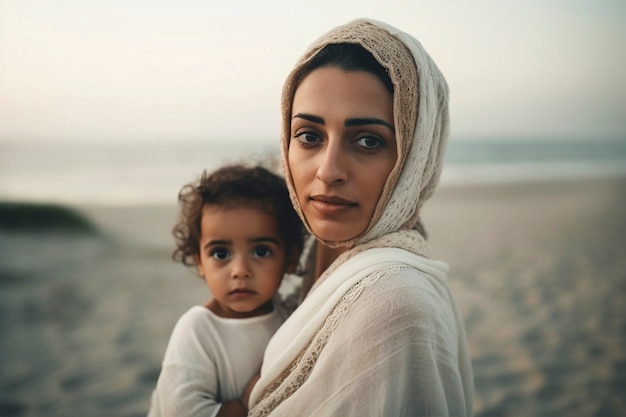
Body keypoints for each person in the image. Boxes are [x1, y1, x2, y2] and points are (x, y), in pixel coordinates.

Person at [247, 18, 474, 416]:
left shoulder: (394, 307)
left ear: (415, 158)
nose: (328, 170)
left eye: (368, 140)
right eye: (309, 136)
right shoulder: (309, 273)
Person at [147, 164, 305, 417]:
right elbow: (180, 411)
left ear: (290, 259)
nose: (240, 270)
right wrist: (245, 405)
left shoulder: (289, 315)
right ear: (199, 261)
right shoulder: (198, 329)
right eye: (221, 253)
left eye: (261, 251)